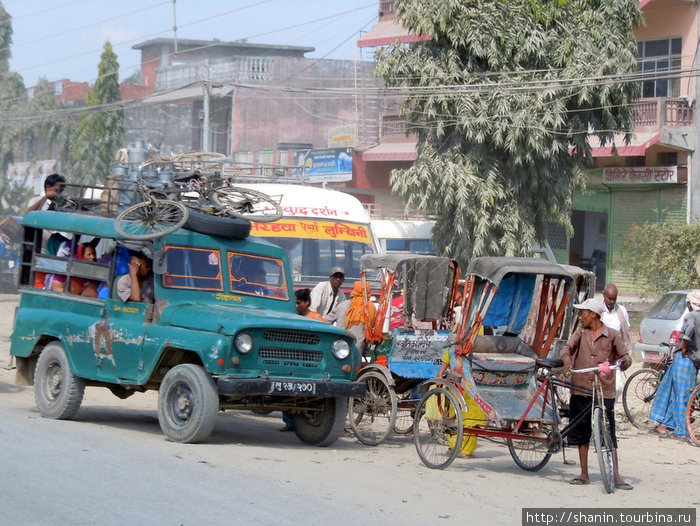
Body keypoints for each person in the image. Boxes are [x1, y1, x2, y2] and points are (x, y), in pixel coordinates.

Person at [559, 298, 633, 490]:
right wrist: (567, 360)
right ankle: (584, 473)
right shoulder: (580, 332)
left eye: (583, 312)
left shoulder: (612, 335)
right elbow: (567, 349)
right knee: (581, 431)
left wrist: (624, 362)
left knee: (609, 432)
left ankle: (616, 476)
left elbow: (625, 356)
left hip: (604, 390)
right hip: (581, 387)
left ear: (593, 315)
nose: (581, 316)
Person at [650, 290, 700, 437]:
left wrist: (684, 347)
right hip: (695, 362)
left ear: (691, 304)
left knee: (678, 394)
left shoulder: (691, 316)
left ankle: (680, 429)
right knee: (683, 394)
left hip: (685, 360)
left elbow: (688, 332)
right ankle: (666, 424)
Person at [435, 349, 487, 457]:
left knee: (455, 416)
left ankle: (454, 446)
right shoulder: (484, 338)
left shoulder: (456, 342)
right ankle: (466, 451)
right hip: (476, 384)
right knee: (472, 419)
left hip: (458, 381)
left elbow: (447, 356)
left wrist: (440, 373)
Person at [326, 281, 376, 357]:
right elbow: (372, 328)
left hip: (339, 349)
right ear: (368, 291)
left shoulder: (343, 305)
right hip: (357, 351)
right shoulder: (370, 307)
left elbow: (326, 321)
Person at [600, 283, 633, 399]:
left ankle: (609, 410)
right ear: (604, 296)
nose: (612, 301)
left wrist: (626, 353)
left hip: (615, 355)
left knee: (617, 387)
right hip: (600, 354)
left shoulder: (621, 311)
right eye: (609, 298)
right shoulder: (599, 310)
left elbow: (626, 332)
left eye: (614, 299)